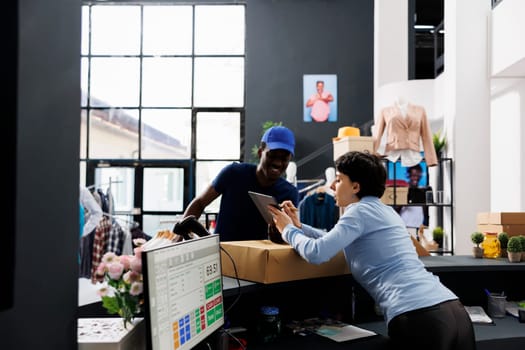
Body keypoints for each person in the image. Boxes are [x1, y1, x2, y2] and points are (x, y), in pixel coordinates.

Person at [268, 151, 475, 350]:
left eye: (339, 180)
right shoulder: (382, 210)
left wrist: (286, 229)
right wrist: (299, 226)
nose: (331, 185)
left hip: (420, 317)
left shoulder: (358, 212)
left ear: (356, 186)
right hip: (452, 310)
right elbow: (331, 240)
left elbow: (317, 252)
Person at [182, 125, 299, 242]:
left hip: (261, 258)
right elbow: (200, 203)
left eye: (284, 158)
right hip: (222, 254)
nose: (278, 163)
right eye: (272, 155)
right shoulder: (234, 173)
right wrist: (179, 236)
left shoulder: (289, 193)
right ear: (260, 152)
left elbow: (288, 237)